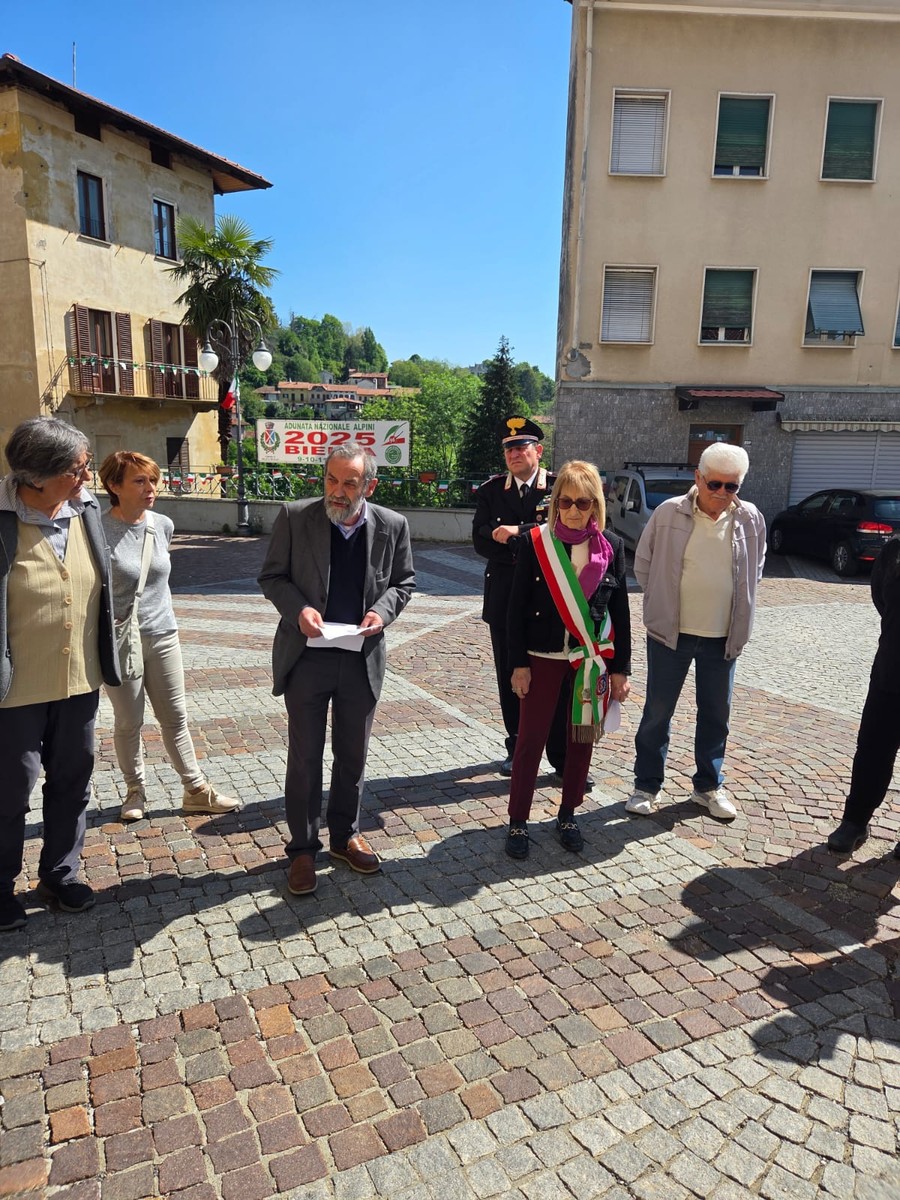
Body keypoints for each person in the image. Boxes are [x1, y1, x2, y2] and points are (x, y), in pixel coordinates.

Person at [258, 443, 415, 896]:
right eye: (331, 479)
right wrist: (299, 610)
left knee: (353, 756)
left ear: (370, 485)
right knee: (305, 758)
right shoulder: (295, 517)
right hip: (307, 657)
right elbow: (271, 577)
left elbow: (404, 582)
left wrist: (382, 614)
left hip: (361, 660)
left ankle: (344, 837)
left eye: (350, 482)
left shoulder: (393, 525)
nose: (338, 491)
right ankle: (303, 849)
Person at [0, 418, 121, 931]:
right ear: (38, 476)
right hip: (14, 688)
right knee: (9, 790)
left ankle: (60, 873)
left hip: (79, 678)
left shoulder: (85, 508)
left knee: (73, 782)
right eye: (76, 469)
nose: (86, 476)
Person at [625, 443, 766, 823]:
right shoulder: (669, 513)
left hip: (723, 636)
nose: (721, 494)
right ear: (698, 478)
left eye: (731, 486)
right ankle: (647, 785)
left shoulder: (751, 519)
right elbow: (643, 563)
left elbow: (756, 569)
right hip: (671, 633)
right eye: (715, 484)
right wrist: (659, 601)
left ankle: (708, 786)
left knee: (716, 715)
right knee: (657, 711)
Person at [98, 451, 239, 823]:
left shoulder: (162, 524)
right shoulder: (96, 530)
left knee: (175, 717)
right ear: (114, 486)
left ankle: (195, 790)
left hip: (163, 633)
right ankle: (135, 790)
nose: (151, 488)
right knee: (129, 721)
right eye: (139, 481)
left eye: (153, 481)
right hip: (118, 640)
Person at [505, 461, 631, 859]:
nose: (574, 510)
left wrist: (621, 669)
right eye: (566, 501)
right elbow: (515, 609)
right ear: (555, 502)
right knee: (530, 741)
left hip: (588, 662)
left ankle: (567, 814)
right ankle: (519, 821)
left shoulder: (611, 547)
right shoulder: (534, 543)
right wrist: (518, 665)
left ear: (596, 505)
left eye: (583, 502)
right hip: (541, 657)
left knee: (580, 741)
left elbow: (622, 612)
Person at [473, 417, 575, 781]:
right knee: (509, 674)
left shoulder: (558, 488)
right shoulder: (491, 491)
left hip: (549, 598)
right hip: (503, 597)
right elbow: (481, 540)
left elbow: (564, 529)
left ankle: (561, 756)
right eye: (509, 449)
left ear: (538, 451)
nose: (514, 453)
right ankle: (517, 745)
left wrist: (519, 532)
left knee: (558, 677)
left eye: (522, 447)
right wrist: (532, 543)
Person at [827, 536, 900, 859]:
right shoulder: (895, 550)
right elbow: (882, 599)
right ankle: (855, 821)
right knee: (872, 749)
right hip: (892, 669)